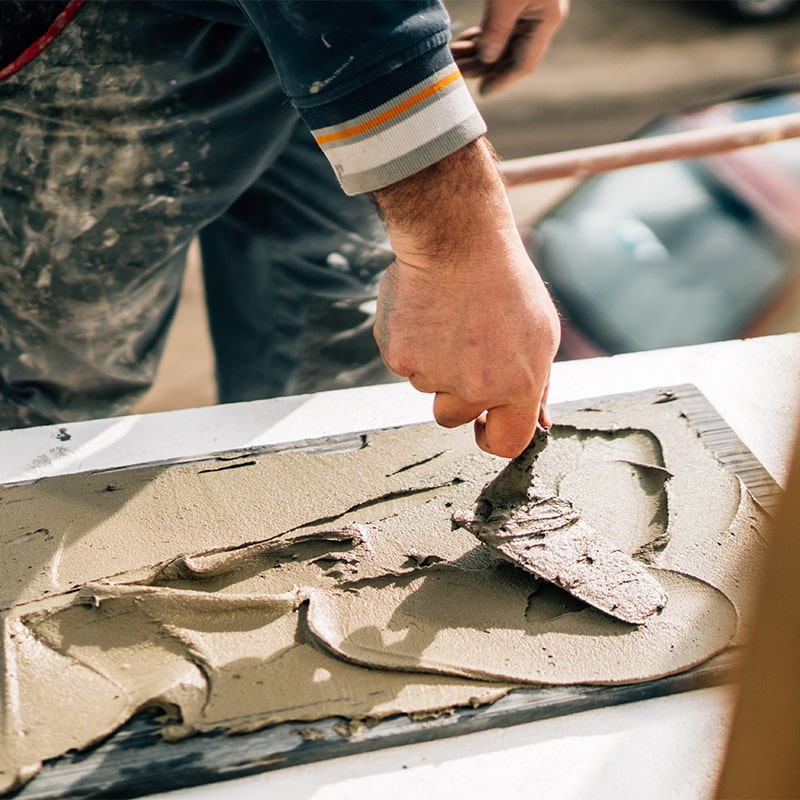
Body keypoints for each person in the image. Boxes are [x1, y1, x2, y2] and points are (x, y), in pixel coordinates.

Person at [0, 0, 566, 458]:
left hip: (332, 30)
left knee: (324, 340)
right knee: (53, 392)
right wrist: (462, 251)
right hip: (108, 28)